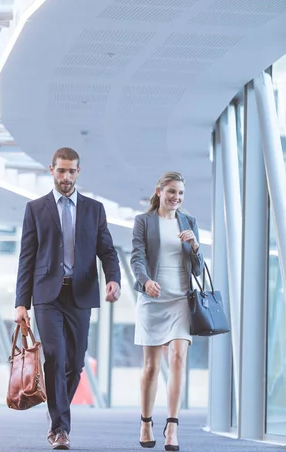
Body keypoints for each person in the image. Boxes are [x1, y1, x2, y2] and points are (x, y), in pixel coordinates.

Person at [14, 147, 121, 450]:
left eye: (71, 170)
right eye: (60, 170)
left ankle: (56, 414)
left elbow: (107, 250)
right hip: (47, 294)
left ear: (78, 172)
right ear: (51, 170)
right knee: (56, 356)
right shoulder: (35, 209)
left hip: (81, 294)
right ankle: (60, 428)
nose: (65, 176)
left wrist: (113, 279)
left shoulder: (94, 209)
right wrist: (21, 302)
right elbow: (27, 258)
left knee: (75, 362)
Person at [130, 172, 204, 452]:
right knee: (150, 367)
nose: (176, 197)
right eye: (171, 191)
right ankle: (146, 422)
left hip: (180, 300)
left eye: (181, 193)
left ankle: (172, 426)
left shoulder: (189, 222)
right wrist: (145, 281)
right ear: (159, 191)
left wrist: (195, 246)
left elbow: (198, 268)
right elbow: (137, 256)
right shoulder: (144, 222)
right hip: (153, 297)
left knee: (178, 358)